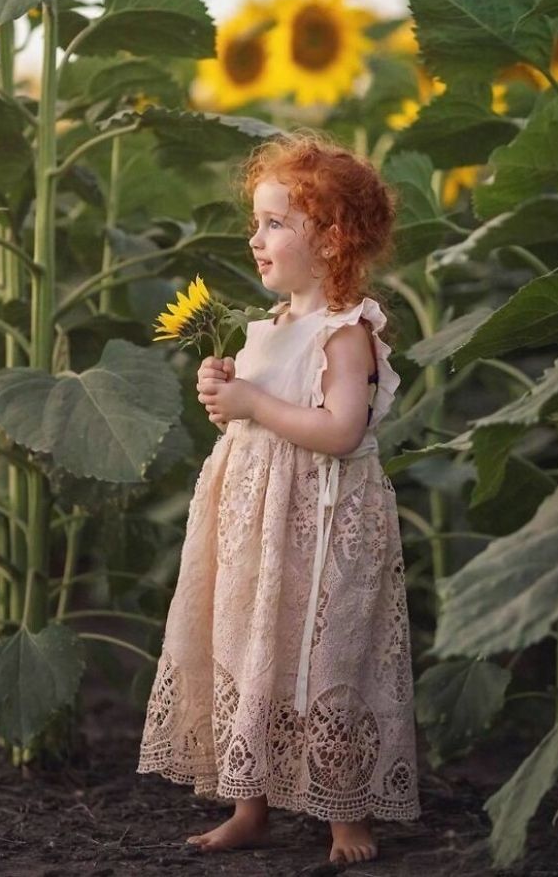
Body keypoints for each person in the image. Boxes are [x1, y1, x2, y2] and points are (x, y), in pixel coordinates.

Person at [138, 132, 419, 863]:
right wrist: (224, 395)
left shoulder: (344, 331)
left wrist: (253, 404)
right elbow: (247, 413)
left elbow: (338, 428)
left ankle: (345, 812)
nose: (253, 238)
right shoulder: (266, 328)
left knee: (330, 655)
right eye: (255, 222)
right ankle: (248, 801)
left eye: (273, 223)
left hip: (320, 530)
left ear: (330, 238)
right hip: (252, 534)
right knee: (249, 648)